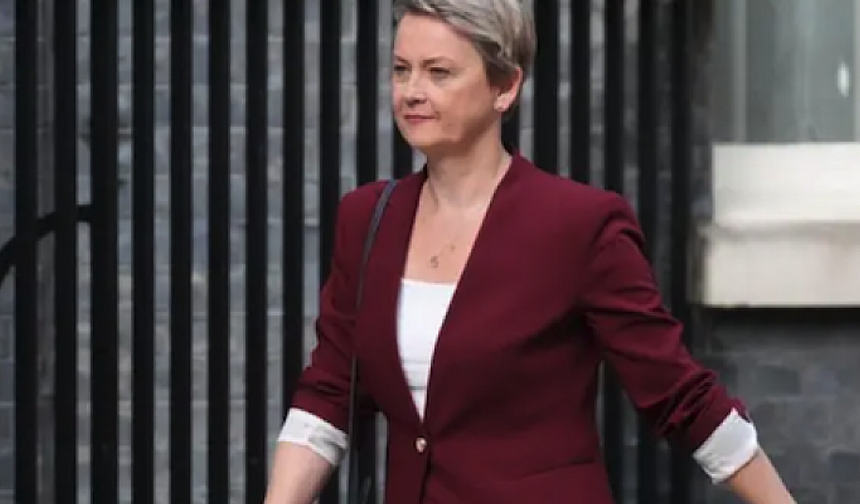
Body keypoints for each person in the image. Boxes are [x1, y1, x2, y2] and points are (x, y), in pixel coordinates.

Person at [265, 1, 798, 503]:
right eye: (401, 70)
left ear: (506, 86)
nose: (411, 91)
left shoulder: (578, 225)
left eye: (438, 72)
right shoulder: (368, 219)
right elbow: (327, 395)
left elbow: (679, 395)